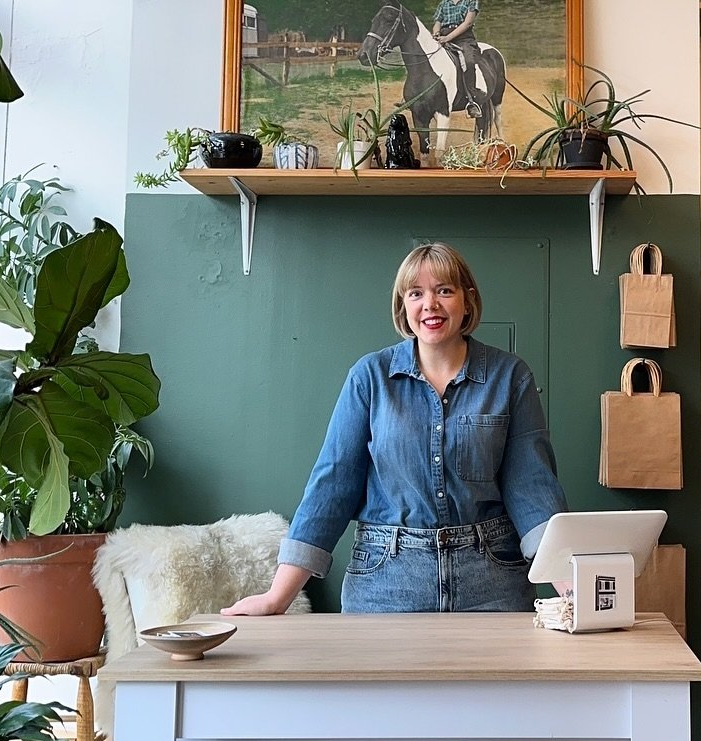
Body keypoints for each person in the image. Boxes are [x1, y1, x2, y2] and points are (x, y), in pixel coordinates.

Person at [223, 242, 567, 616]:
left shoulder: (509, 377)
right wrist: (278, 598)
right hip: (385, 581)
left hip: (493, 580)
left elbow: (532, 486)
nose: (430, 305)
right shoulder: (369, 378)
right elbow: (333, 483)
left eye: (444, 291)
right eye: (416, 293)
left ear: (467, 300)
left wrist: (572, 585)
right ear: (403, 305)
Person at [431, 0, 485, 114]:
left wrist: (448, 38)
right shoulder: (444, 3)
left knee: (468, 62)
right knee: (426, 57)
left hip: (464, 38)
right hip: (443, 36)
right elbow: (437, 22)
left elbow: (467, 24)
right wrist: (436, 34)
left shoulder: (471, 1)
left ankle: (471, 100)